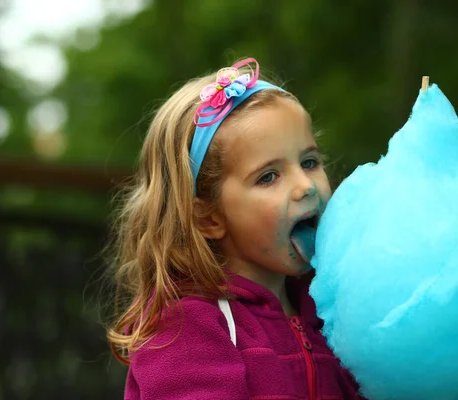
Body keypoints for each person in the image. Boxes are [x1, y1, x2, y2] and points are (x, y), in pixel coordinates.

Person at [107, 58, 364, 399]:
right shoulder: (186, 328)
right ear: (208, 218)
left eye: (309, 162)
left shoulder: (327, 313)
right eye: (268, 176)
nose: (306, 185)